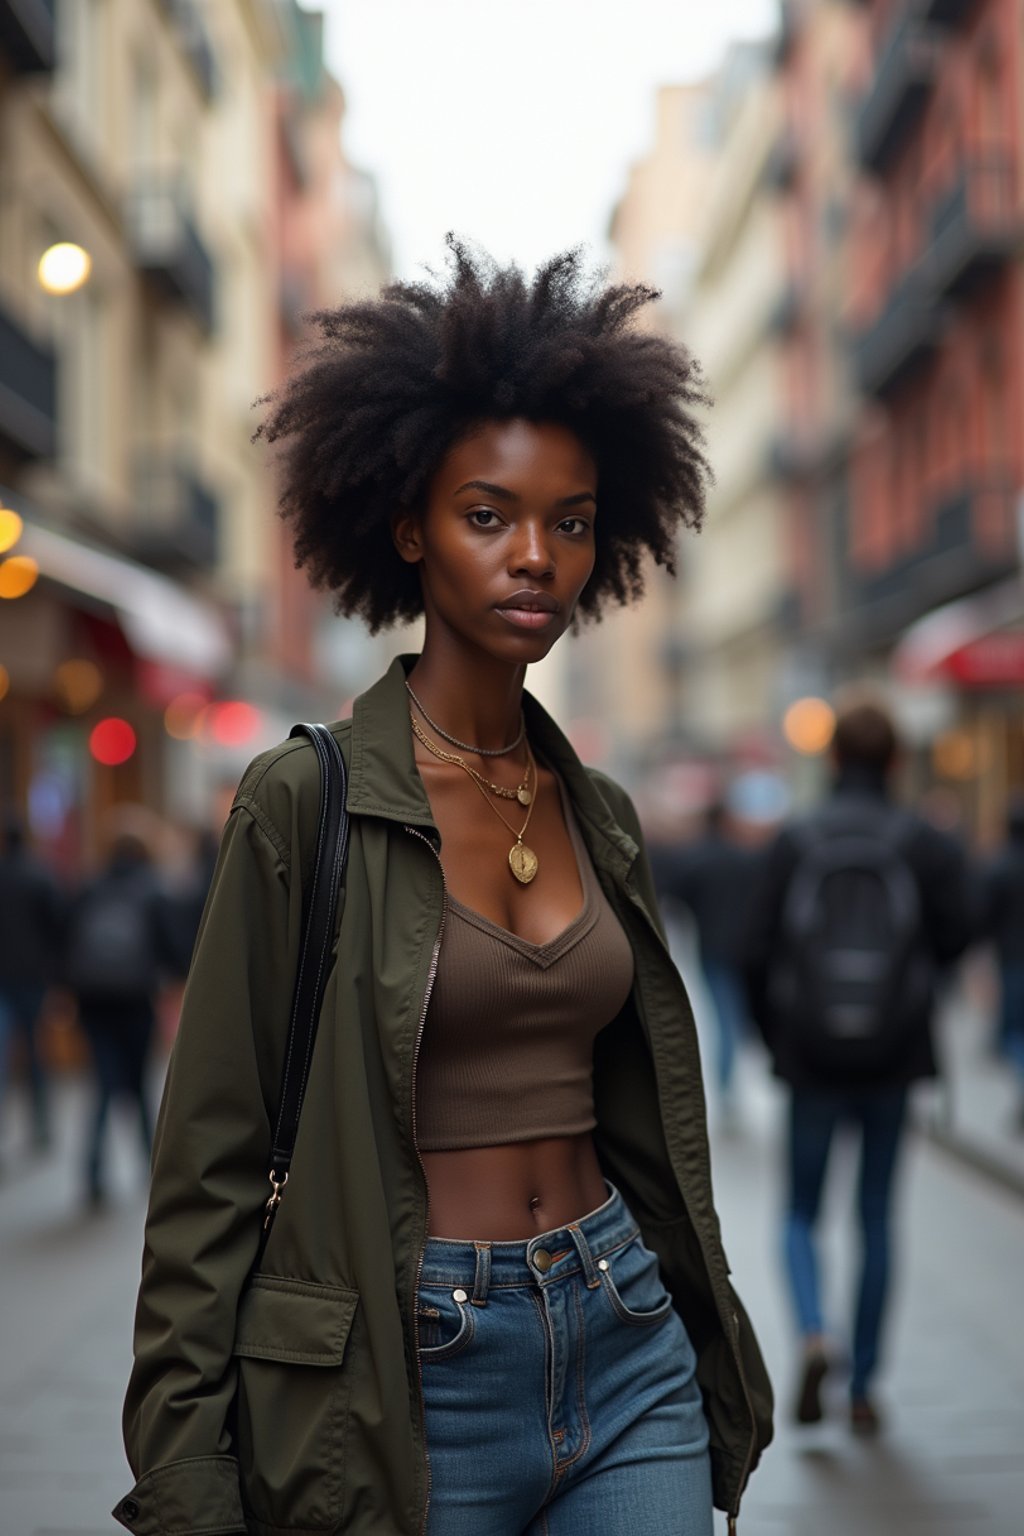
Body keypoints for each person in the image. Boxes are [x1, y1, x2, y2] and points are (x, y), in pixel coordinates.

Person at [115, 243, 772, 1536]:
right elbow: (206, 1174)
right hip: (411, 1373)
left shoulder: (602, 815)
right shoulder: (300, 806)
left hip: (625, 1334)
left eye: (570, 523)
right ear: (408, 525)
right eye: (489, 516)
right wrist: (188, 1481)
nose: (536, 556)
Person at [744, 697, 971, 1434]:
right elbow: (961, 932)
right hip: (894, 1055)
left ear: (833, 758)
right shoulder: (922, 841)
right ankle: (866, 1384)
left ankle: (814, 1331)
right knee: (876, 1215)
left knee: (801, 1213)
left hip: (810, 1056)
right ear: (897, 762)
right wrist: (913, 987)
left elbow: (753, 949)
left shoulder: (797, 838)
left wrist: (774, 1038)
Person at [65, 811, 179, 1208]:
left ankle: (93, 1175)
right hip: (135, 999)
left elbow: (66, 941)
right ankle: (152, 1170)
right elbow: (173, 948)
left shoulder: (90, 886)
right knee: (139, 1087)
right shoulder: (153, 890)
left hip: (94, 1002)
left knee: (102, 1087)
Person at [651, 803, 757, 1123]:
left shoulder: (697, 859)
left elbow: (671, 899)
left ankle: (727, 1087)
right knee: (733, 1017)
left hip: (712, 948)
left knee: (724, 1017)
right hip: (744, 949)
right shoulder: (745, 860)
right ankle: (729, 1085)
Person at [0, 812, 63, 1157]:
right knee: (37, 1054)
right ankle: (41, 1126)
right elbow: (58, 927)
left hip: (4, 979)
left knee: (3, 1057)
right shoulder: (40, 876)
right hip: (33, 978)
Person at [982, 792, 1024, 1128]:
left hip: (1012, 961)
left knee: (1013, 1034)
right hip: (1010, 961)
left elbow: (980, 918)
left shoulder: (999, 868)